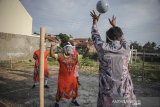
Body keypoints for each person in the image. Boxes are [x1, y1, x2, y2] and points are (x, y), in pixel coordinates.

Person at [90, 10, 136, 107]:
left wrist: (95, 22)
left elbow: (95, 36)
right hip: (124, 94)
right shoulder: (126, 48)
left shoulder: (102, 48)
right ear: (119, 37)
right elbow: (122, 38)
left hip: (108, 95)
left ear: (108, 38)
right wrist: (114, 26)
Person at [50, 43, 80, 107]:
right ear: (65, 49)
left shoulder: (74, 56)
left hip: (72, 78)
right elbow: (52, 55)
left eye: (71, 49)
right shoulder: (60, 56)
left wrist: (87, 50)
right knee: (60, 90)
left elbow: (84, 56)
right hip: (62, 78)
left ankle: (73, 100)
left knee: (75, 89)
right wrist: (52, 47)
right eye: (68, 49)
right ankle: (57, 102)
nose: (70, 50)